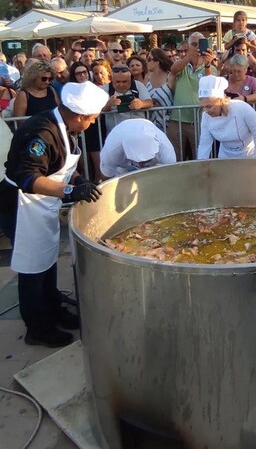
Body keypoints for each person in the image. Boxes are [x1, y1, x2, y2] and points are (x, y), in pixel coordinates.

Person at [0, 81, 109, 347]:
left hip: (43, 204)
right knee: (31, 269)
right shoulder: (41, 132)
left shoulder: (64, 127)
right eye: (92, 119)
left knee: (47, 260)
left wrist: (79, 179)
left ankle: (52, 307)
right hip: (23, 204)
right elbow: (27, 176)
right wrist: (70, 191)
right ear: (81, 116)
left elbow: (61, 163)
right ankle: (38, 328)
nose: (93, 124)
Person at [168, 32, 217, 161]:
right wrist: (187, 58)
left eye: (200, 44)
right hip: (177, 119)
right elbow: (173, 70)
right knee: (175, 159)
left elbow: (210, 86)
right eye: (194, 44)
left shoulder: (211, 67)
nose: (197, 48)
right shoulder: (182, 65)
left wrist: (207, 64)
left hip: (199, 121)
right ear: (188, 46)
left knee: (200, 158)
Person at [197, 75, 256, 159]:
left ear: (220, 101)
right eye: (202, 107)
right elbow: (204, 144)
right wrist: (201, 165)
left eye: (209, 106)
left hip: (249, 156)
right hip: (225, 157)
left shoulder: (242, 108)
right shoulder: (205, 116)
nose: (206, 111)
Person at [100, 118, 176, 178]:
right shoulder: (112, 151)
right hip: (122, 168)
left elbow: (172, 175)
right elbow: (107, 175)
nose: (142, 166)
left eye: (147, 160)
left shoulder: (166, 149)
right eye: (137, 160)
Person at [102, 63, 153, 134]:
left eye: (125, 81)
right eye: (117, 82)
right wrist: (109, 104)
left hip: (138, 130)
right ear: (112, 79)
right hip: (116, 132)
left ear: (130, 78)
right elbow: (101, 109)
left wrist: (141, 104)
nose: (121, 84)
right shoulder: (105, 88)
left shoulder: (138, 85)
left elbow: (150, 102)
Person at [145, 48, 175, 131]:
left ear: (157, 62)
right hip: (150, 123)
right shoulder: (147, 77)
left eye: (149, 59)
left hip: (168, 123)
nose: (146, 61)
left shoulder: (170, 77)